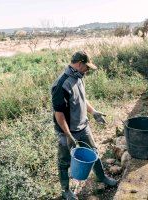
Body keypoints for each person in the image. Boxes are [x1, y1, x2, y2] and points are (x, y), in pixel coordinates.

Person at [51, 51, 117, 200]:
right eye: (87, 67)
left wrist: (93, 112)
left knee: (93, 151)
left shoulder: (79, 77)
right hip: (66, 131)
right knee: (64, 161)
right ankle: (66, 191)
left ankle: (101, 177)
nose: (88, 70)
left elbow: (82, 99)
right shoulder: (61, 84)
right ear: (79, 64)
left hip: (83, 126)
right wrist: (68, 135)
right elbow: (59, 114)